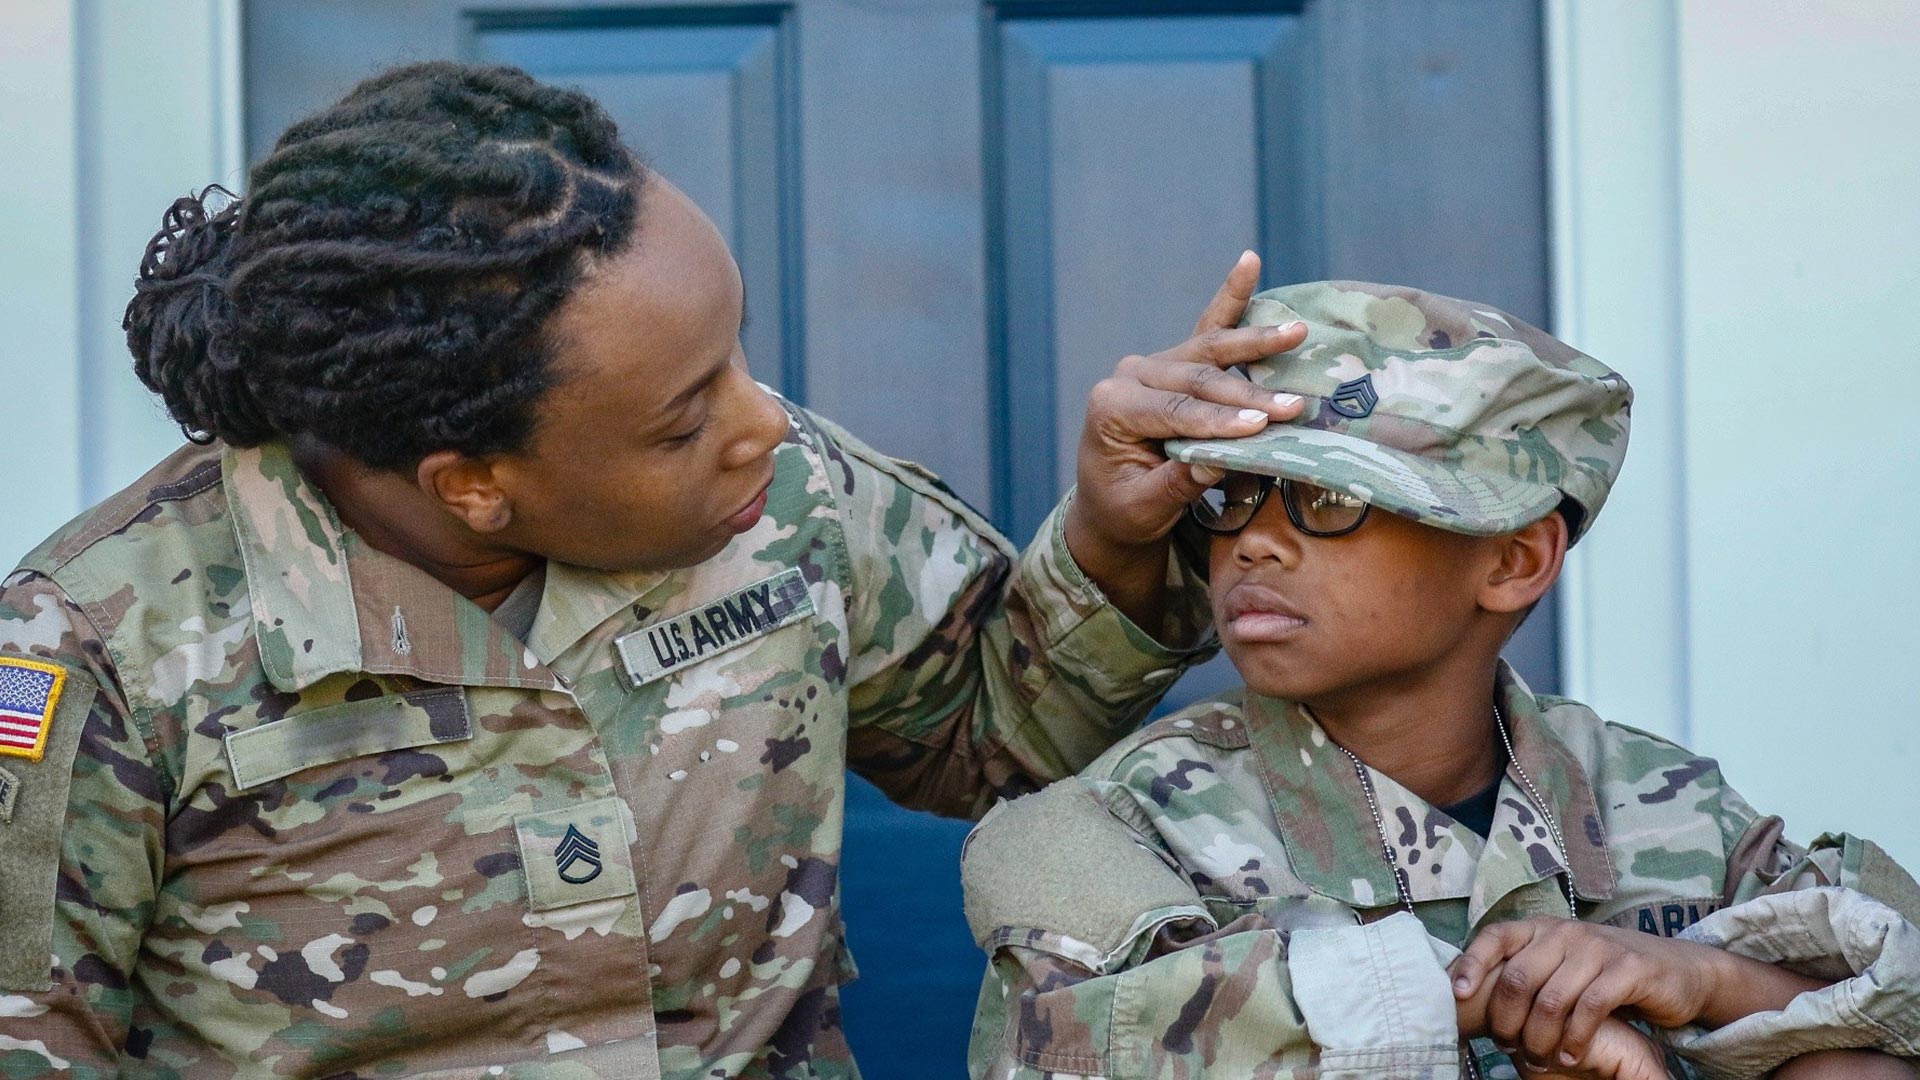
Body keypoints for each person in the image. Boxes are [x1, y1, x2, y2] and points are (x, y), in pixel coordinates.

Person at [0, 62, 1307, 1079]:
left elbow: (992, 736)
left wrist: (1112, 534)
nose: (765, 425)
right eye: (684, 417)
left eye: (737, 356)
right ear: (473, 483)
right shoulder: (105, 645)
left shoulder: (778, 495)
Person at [961, 281, 1920, 1079]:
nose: (1253, 537)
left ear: (1512, 562)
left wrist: (1704, 981)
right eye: (1233, 494)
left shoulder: (1660, 803)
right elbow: (1071, 1049)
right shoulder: (1129, 825)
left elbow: (1894, 983)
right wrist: (1472, 1001)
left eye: (1329, 500)